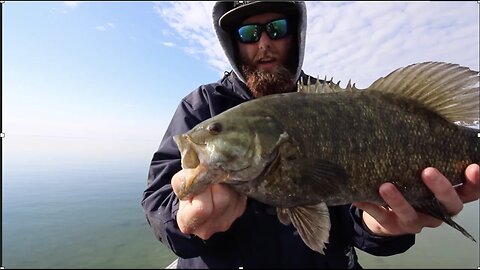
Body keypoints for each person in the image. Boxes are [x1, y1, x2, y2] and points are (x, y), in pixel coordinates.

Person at [141, 1, 480, 268]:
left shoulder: (335, 100)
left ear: (296, 33)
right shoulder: (201, 106)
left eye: (277, 28)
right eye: (248, 33)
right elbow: (158, 201)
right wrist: (183, 219)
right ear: (233, 44)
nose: (263, 44)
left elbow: (354, 221)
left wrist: (383, 226)